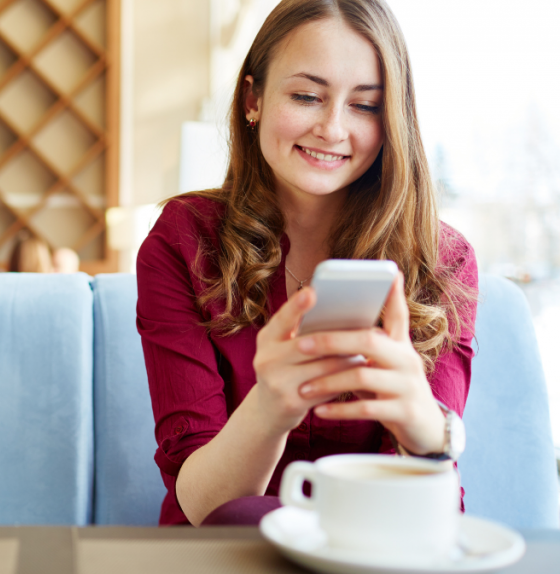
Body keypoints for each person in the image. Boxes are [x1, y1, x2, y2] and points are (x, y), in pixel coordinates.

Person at [136, 0, 477, 527]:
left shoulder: (442, 260)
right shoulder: (184, 241)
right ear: (253, 97)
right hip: (226, 553)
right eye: (306, 96)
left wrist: (427, 432)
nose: (333, 129)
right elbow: (201, 505)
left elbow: (433, 512)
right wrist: (270, 405)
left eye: (365, 106)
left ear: (392, 121)